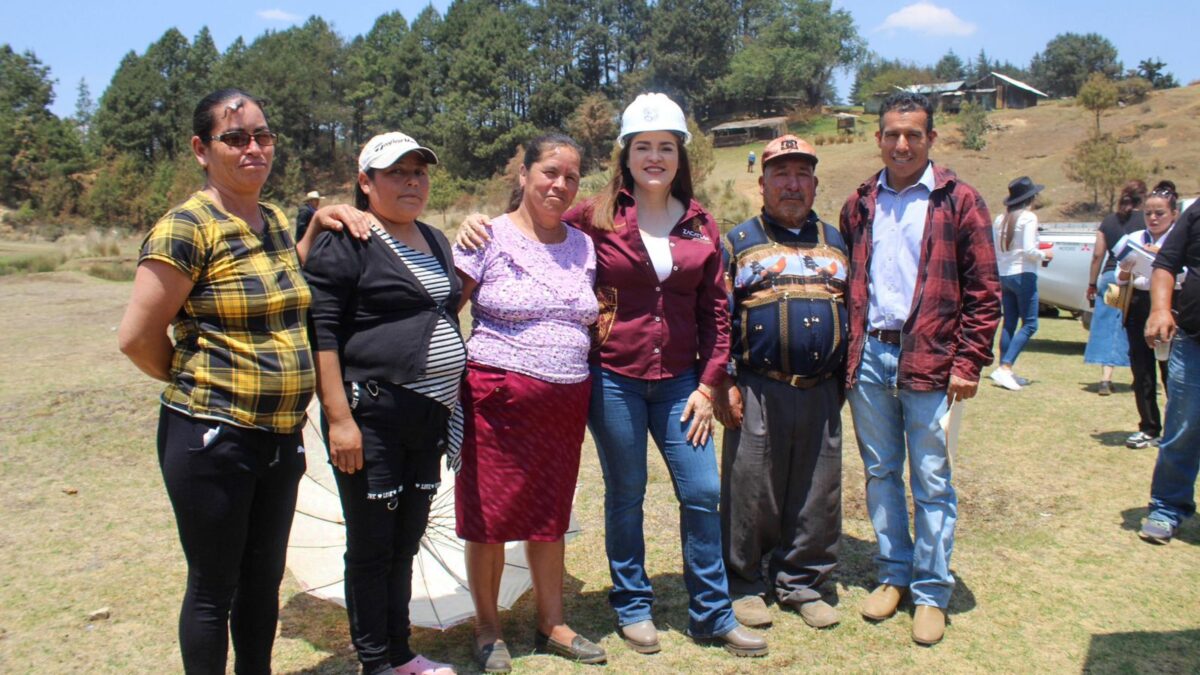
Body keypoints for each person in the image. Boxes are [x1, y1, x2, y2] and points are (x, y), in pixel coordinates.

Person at [457, 93, 766, 658]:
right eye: (643, 146)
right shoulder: (595, 216)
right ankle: (632, 605)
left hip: (680, 383)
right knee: (625, 492)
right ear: (626, 154)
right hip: (614, 379)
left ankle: (713, 613)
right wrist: (481, 220)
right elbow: (534, 220)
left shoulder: (700, 223)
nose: (654, 157)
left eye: (665, 148)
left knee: (701, 491)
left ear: (680, 156)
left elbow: (716, 312)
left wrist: (709, 382)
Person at [117, 88, 314, 675]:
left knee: (262, 580)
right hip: (212, 437)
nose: (253, 148)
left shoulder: (275, 220)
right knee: (214, 587)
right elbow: (136, 337)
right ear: (202, 150)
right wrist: (190, 379)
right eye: (235, 138)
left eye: (262, 135)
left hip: (280, 436)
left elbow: (284, 298)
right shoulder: (186, 228)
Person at [839, 91, 1001, 646]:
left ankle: (932, 591)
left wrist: (970, 362)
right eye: (891, 134)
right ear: (879, 139)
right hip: (871, 358)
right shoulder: (860, 203)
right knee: (881, 474)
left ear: (931, 139)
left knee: (931, 481)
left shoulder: (960, 201)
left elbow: (985, 292)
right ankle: (894, 574)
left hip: (932, 360)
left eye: (912, 134)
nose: (901, 143)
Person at [301, 131, 460, 675]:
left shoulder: (437, 241)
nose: (412, 181)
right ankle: (375, 662)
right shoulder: (347, 238)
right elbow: (320, 328)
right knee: (372, 545)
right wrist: (339, 419)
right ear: (366, 183)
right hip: (369, 414)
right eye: (396, 172)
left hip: (426, 416)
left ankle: (400, 652)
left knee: (406, 539)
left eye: (419, 171)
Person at [452, 134, 604, 672]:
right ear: (523, 174)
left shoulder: (584, 246)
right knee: (490, 516)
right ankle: (489, 628)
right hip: (496, 400)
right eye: (549, 172)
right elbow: (446, 311)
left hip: (565, 404)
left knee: (549, 516)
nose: (559, 184)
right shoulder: (484, 236)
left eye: (571, 176)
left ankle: (552, 622)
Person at [717, 135, 847, 631]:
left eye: (801, 175)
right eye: (780, 175)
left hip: (822, 387)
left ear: (814, 183)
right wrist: (724, 381)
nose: (791, 185)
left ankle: (802, 582)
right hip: (757, 384)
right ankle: (745, 582)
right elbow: (718, 317)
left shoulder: (837, 242)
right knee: (752, 487)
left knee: (818, 488)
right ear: (762, 183)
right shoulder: (738, 243)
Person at [1140, 196, 1200, 544]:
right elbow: (1166, 263)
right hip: (1195, 341)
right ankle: (1167, 507)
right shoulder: (1197, 212)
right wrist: (1161, 309)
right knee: (1183, 429)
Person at [1114, 181, 1178, 450]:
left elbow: (1185, 274)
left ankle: (1176, 430)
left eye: (1160, 213)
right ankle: (1149, 427)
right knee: (1141, 370)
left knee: (1172, 371)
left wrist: (1160, 258)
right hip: (1139, 304)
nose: (1153, 218)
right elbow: (1121, 275)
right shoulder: (1133, 238)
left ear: (1174, 214)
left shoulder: (1178, 240)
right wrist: (1128, 270)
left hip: (1171, 305)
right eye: (1149, 213)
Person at [989, 176, 1052, 391]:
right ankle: (1005, 368)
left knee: (1009, 322)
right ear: (1030, 198)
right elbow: (1029, 250)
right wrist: (1045, 254)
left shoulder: (1000, 219)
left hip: (1004, 274)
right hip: (1023, 273)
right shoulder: (1028, 218)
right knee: (1031, 323)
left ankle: (1004, 368)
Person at [1085, 180, 1147, 395]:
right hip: (1135, 279)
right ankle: (1138, 376)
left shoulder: (1109, 221)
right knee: (1133, 326)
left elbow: (1097, 255)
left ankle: (1105, 378)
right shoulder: (1147, 221)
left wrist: (1092, 283)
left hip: (1111, 277)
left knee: (1109, 325)